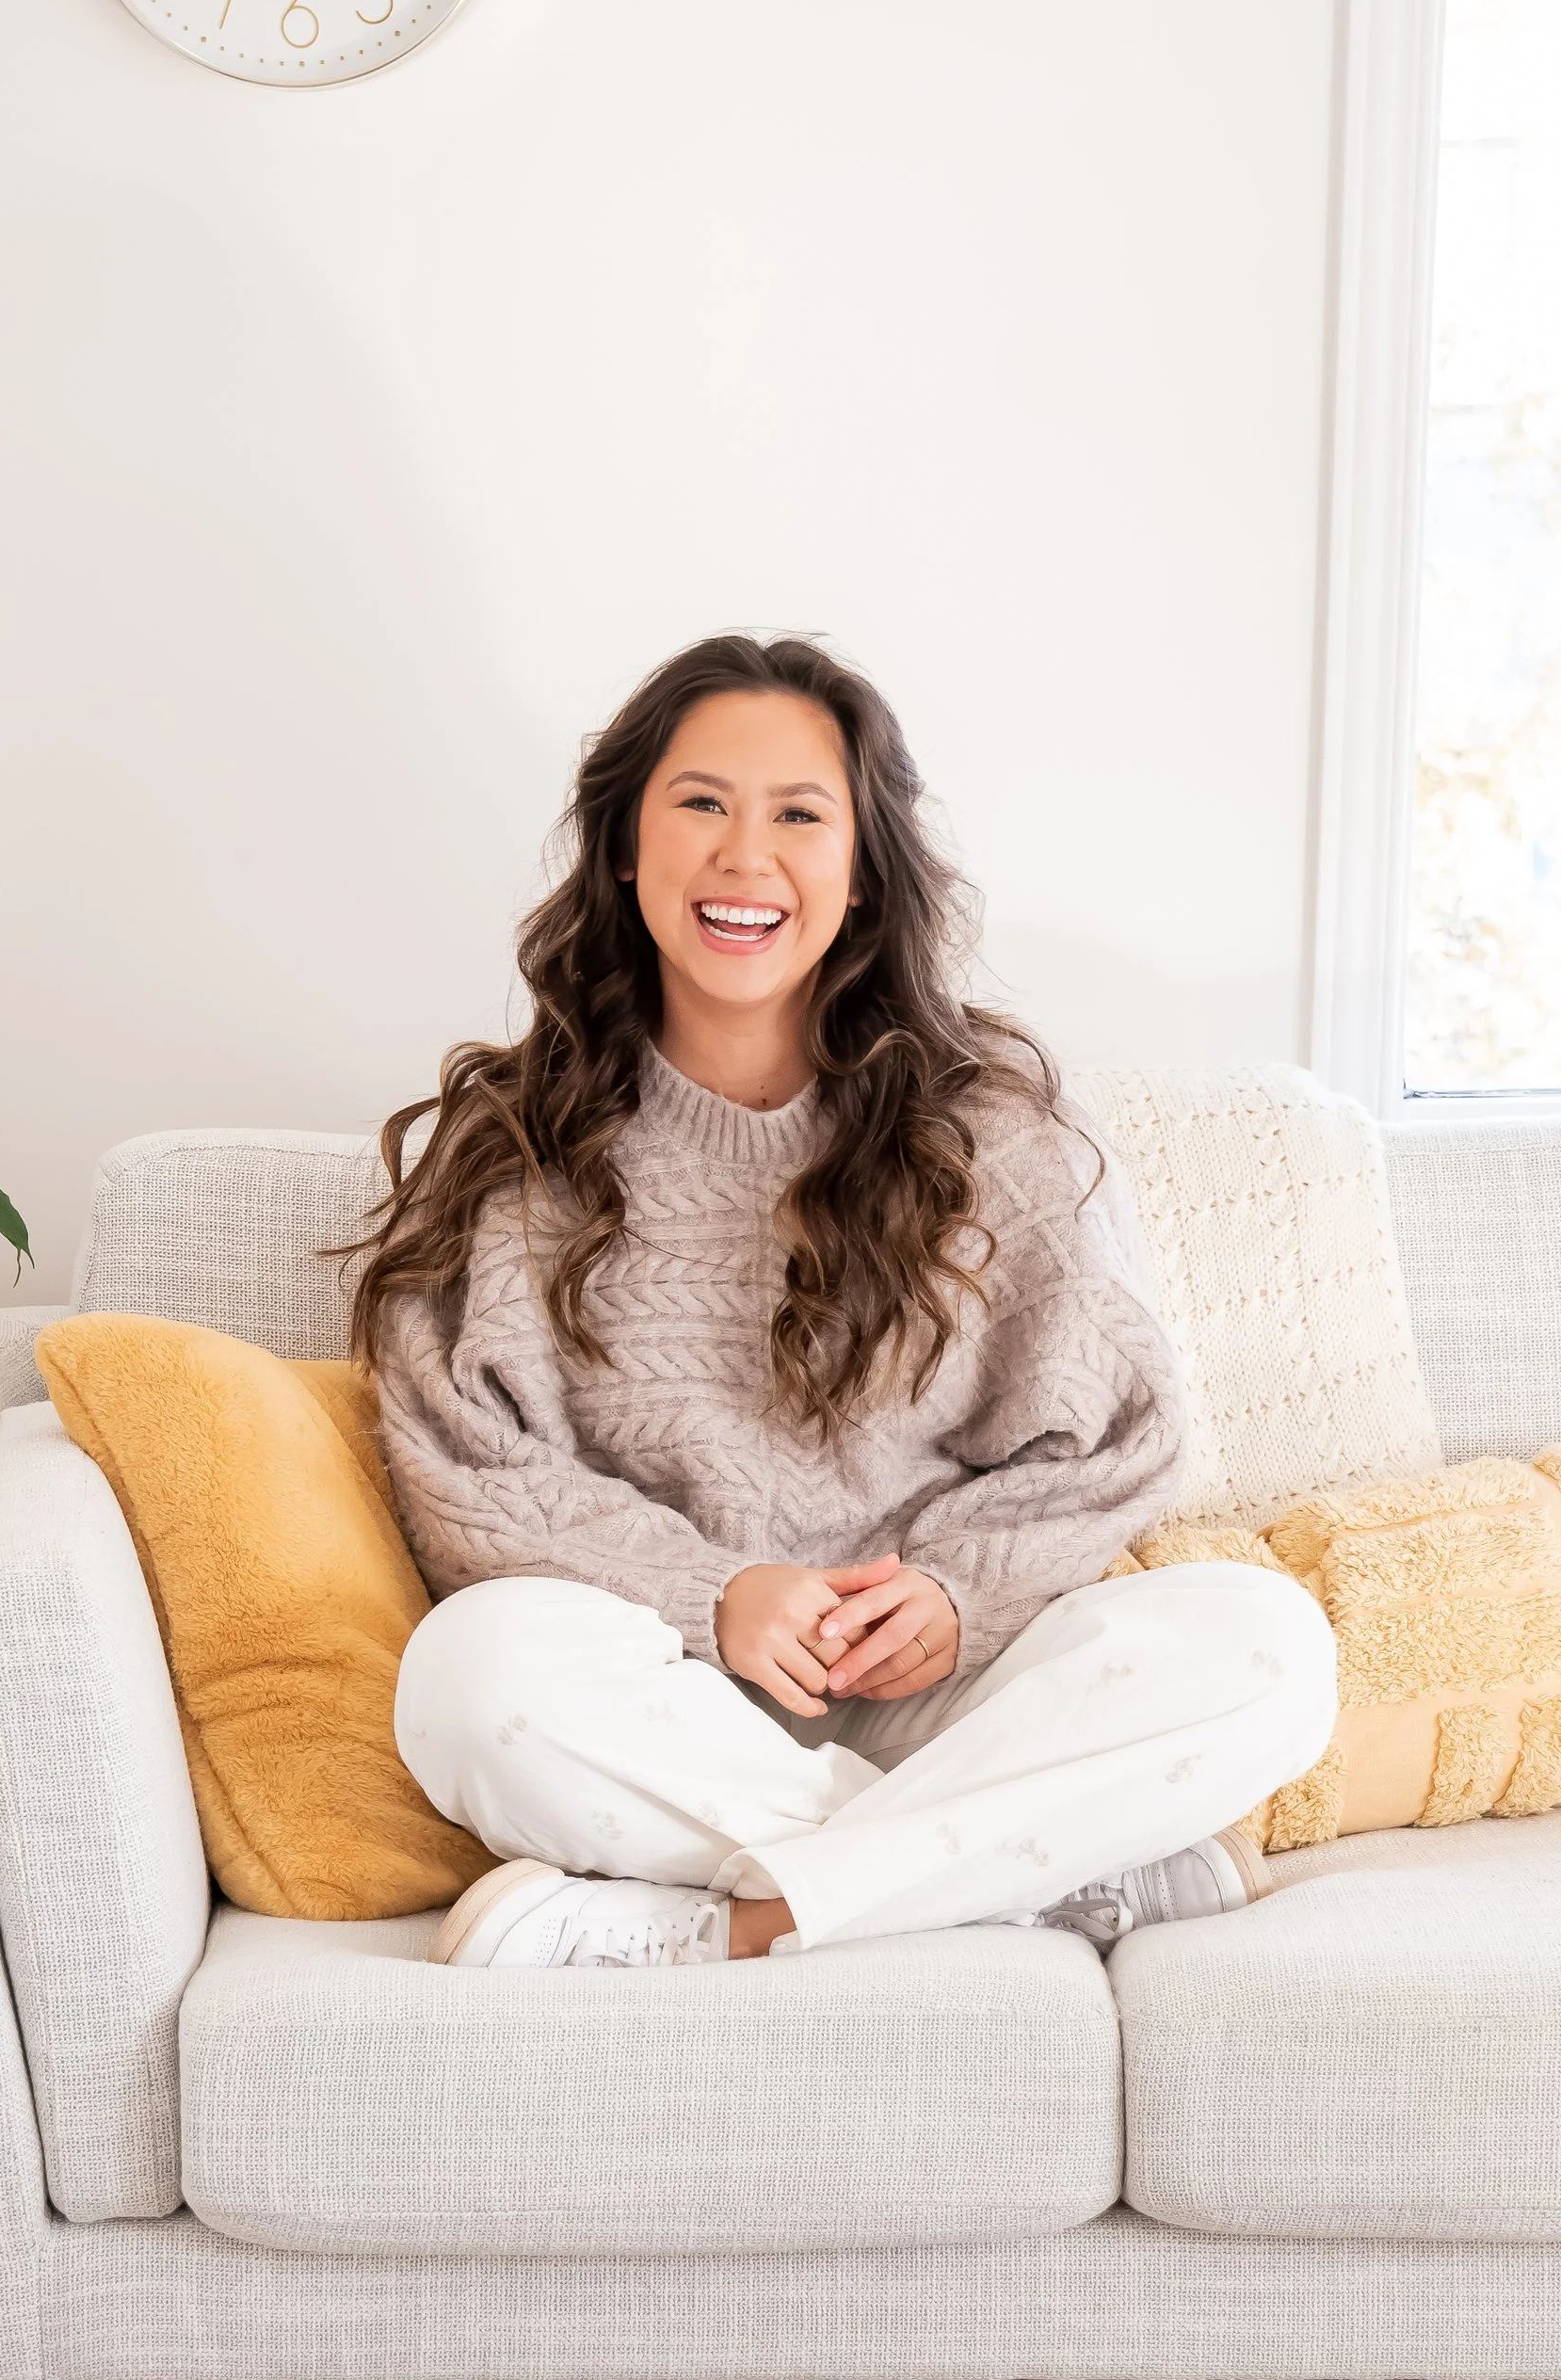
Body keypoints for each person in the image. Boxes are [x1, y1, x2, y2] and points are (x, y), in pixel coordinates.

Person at [351, 635, 1336, 1971]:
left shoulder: (993, 1127)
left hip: (959, 1697)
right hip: (675, 1707)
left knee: (1267, 1643)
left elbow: (1121, 1440)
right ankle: (1027, 1879)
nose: (745, 857)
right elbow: (472, 1479)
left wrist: (951, 1589)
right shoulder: (518, 1148)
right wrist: (715, 1594)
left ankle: (728, 1930)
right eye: (700, 803)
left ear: (862, 874)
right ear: (625, 848)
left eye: (800, 815)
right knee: (465, 1678)